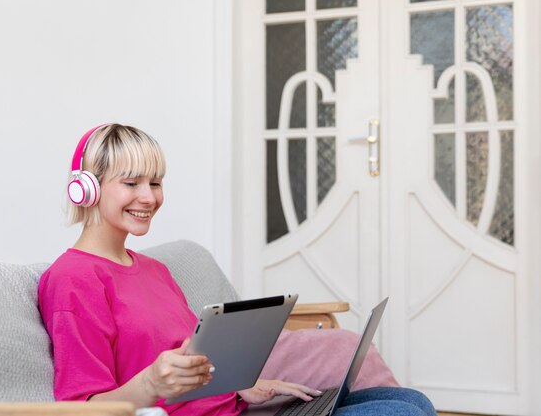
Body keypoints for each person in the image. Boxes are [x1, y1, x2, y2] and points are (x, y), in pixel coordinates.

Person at [38, 123, 437, 416]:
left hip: (238, 409)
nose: (149, 197)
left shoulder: (155, 270)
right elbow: (81, 408)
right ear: (86, 189)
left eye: (155, 182)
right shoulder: (74, 279)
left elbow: (194, 362)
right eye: (132, 182)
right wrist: (150, 383)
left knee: (412, 402)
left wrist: (243, 386)